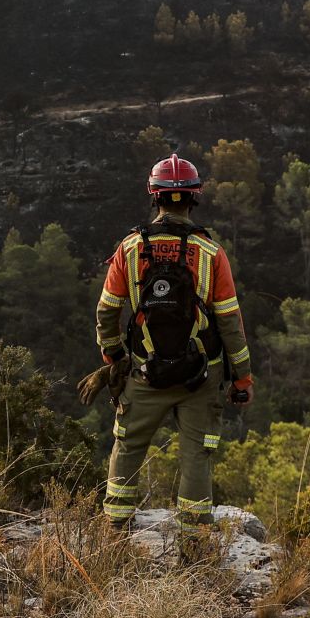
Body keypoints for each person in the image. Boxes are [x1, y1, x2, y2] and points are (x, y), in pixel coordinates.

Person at [93, 152, 253, 536]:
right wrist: (242, 379)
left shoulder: (130, 248)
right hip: (200, 376)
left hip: (144, 372)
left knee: (128, 446)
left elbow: (106, 313)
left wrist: (115, 356)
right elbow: (230, 323)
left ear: (155, 195)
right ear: (194, 197)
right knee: (196, 455)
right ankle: (195, 544)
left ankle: (115, 532)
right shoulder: (211, 252)